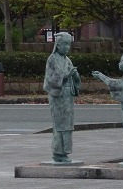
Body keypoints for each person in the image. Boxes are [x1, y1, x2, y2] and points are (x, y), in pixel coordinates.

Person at [43, 32, 81, 163]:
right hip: (57, 95)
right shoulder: (52, 59)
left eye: (69, 44)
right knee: (59, 125)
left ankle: (65, 152)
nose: (67, 47)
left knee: (68, 125)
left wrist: (75, 76)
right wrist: (65, 76)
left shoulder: (68, 60)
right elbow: (49, 79)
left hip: (68, 95)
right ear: (57, 45)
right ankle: (58, 152)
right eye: (64, 44)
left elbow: (74, 79)